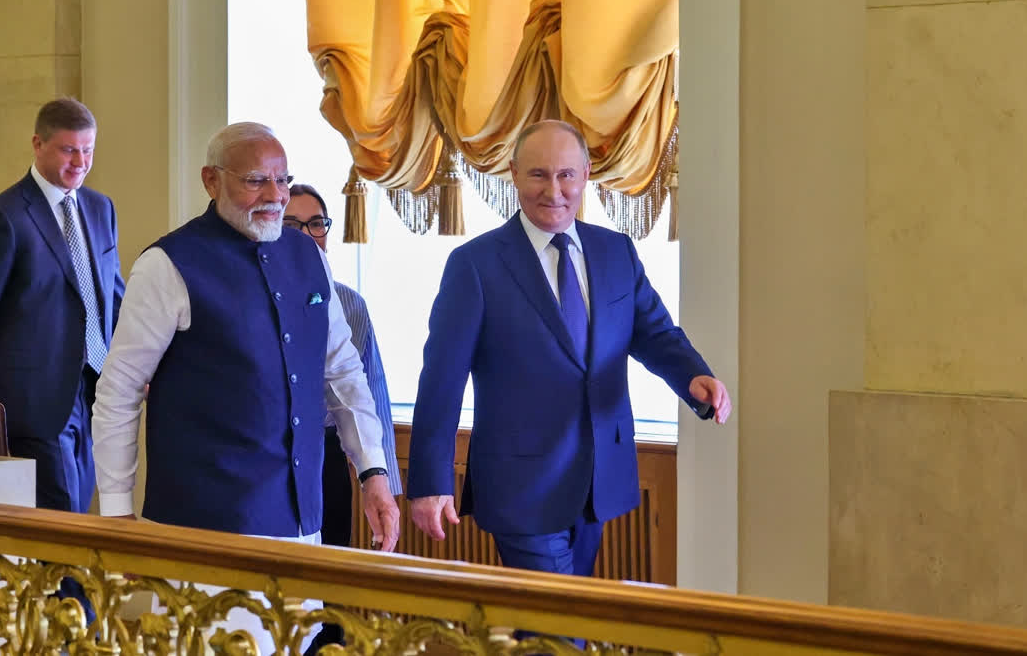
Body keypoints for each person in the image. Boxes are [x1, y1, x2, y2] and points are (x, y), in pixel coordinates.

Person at [91, 122, 400, 653]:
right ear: (212, 181)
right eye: (257, 180)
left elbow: (343, 370)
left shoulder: (309, 258)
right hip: (204, 527)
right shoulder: (167, 265)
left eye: (283, 180)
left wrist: (372, 469)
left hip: (302, 518)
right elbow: (119, 389)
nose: (275, 196)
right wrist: (117, 511)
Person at [408, 120, 731, 583]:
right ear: (515, 173)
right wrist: (429, 482)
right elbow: (441, 379)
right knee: (560, 631)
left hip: (599, 480)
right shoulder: (475, 266)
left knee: (554, 626)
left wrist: (692, 377)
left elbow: (655, 332)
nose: (553, 190)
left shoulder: (616, 251)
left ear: (586, 174)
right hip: (520, 486)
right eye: (538, 174)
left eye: (566, 175)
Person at [0, 97, 124, 624]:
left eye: (88, 151)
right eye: (67, 150)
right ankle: (76, 628)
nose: (78, 163)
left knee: (78, 512)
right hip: (33, 401)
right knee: (62, 520)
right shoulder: (4, 217)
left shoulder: (100, 209)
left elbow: (111, 294)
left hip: (94, 389)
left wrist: (136, 366)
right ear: (38, 145)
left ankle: (61, 622)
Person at [285, 183, 402, 652]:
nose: (308, 234)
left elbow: (370, 390)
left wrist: (382, 480)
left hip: (329, 454)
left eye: (317, 223)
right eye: (294, 224)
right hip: (269, 455)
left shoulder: (349, 302)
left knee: (330, 578)